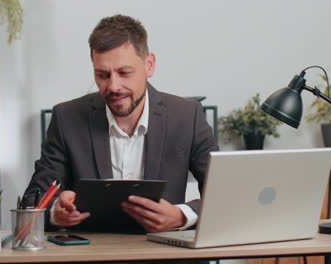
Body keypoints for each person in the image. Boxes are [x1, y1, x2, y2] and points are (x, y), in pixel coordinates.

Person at [23, 14, 218, 233]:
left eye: (124, 73)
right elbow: (33, 200)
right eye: (102, 75)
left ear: (149, 64)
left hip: (165, 253)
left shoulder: (186, 116)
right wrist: (55, 212)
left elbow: (224, 193)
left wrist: (181, 216)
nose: (114, 86)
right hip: (92, 253)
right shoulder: (67, 117)